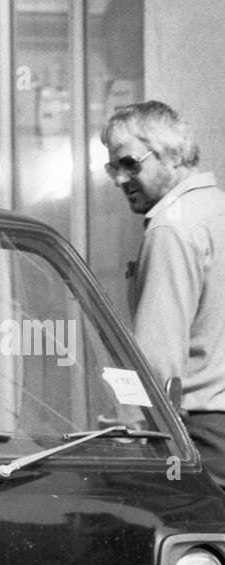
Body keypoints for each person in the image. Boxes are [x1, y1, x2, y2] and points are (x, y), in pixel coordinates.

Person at [103, 100, 225, 488]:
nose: (120, 179)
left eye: (130, 164)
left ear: (171, 156)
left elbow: (158, 362)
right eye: (113, 167)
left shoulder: (171, 227)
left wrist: (134, 436)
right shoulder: (216, 210)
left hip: (199, 435)